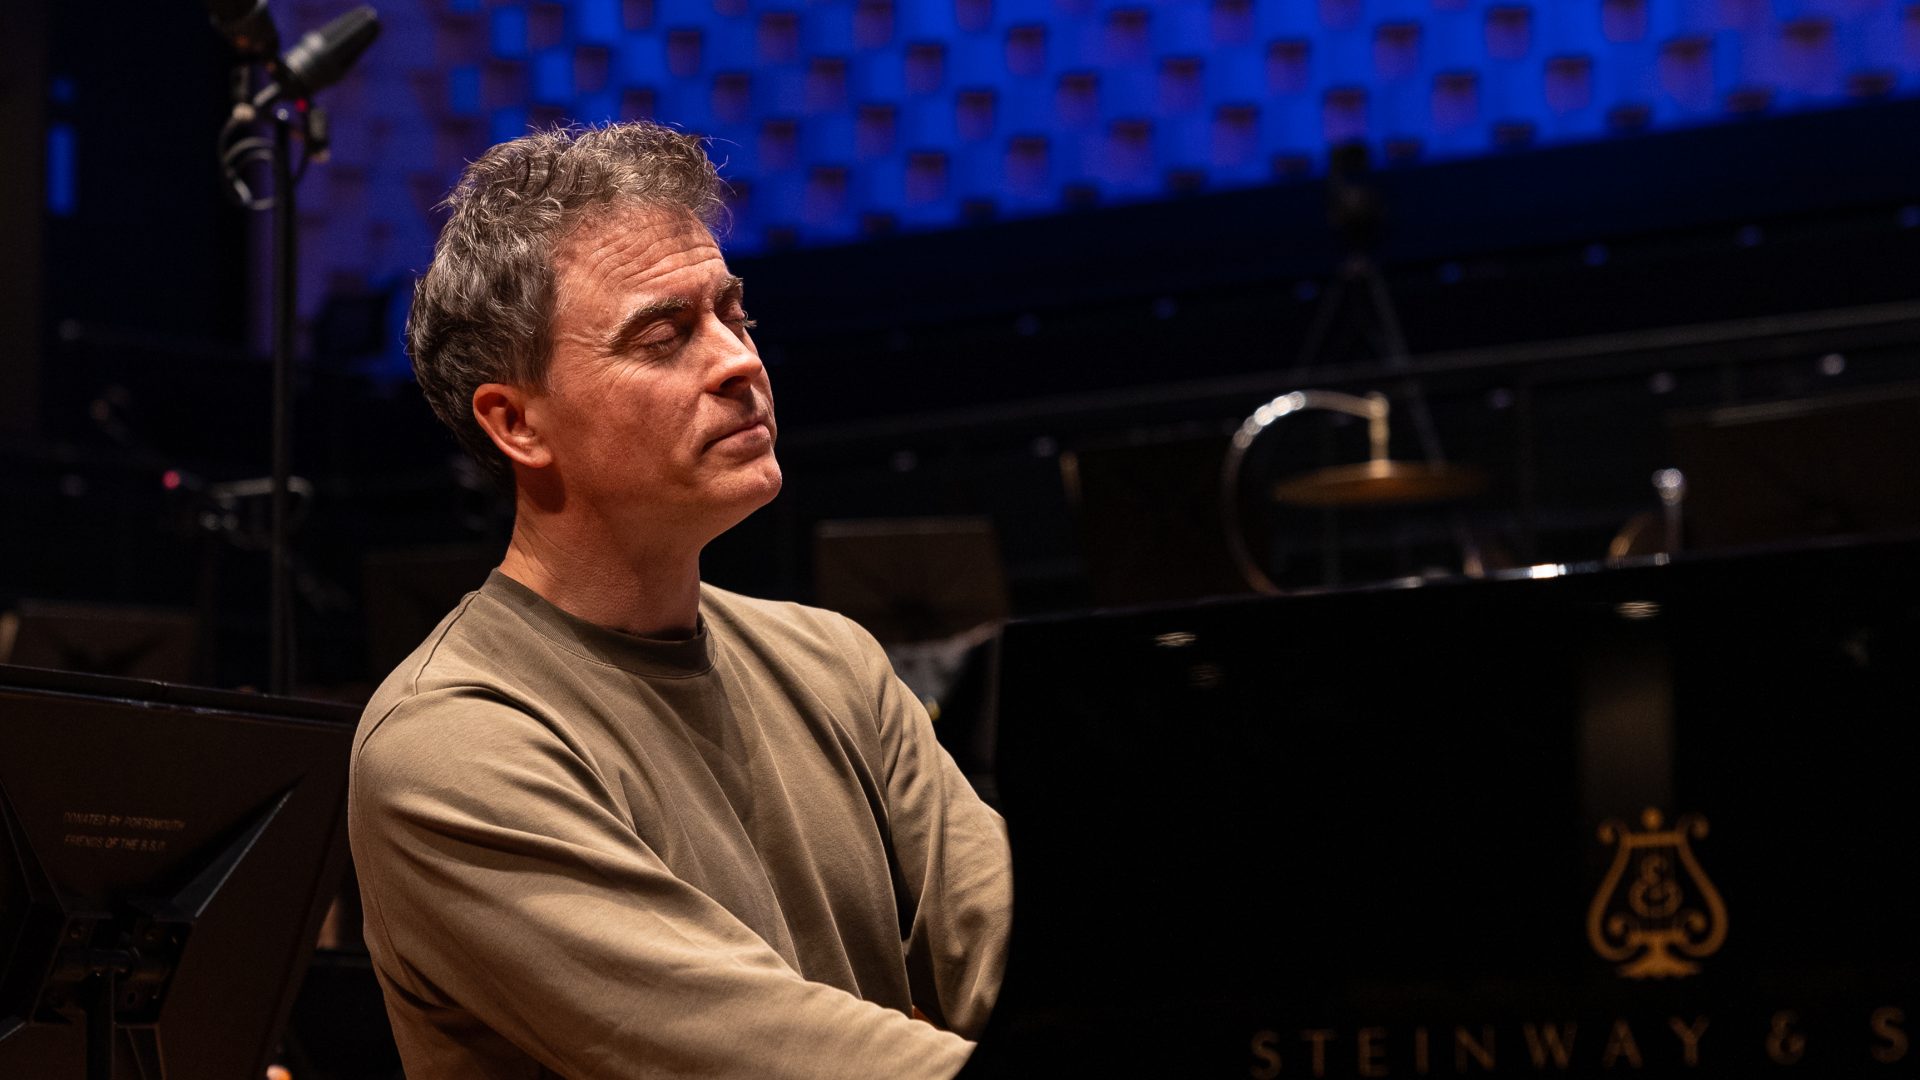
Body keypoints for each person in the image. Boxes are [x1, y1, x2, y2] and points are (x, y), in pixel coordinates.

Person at [347, 121, 1012, 1080]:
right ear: (515, 423)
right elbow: (773, 1062)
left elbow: (1041, 965)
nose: (739, 361)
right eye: (663, 336)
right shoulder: (451, 746)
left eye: (733, 315)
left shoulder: (837, 663)